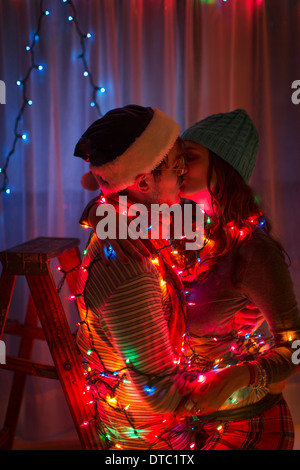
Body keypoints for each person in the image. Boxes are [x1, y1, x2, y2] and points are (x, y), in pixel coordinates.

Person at [81, 108, 300, 450]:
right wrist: (103, 215)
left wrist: (245, 375)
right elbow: (122, 189)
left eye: (190, 158)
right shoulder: (173, 225)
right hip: (183, 422)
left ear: (224, 170)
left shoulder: (254, 250)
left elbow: (296, 346)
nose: (180, 167)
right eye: (177, 159)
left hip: (241, 417)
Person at [73, 104, 210, 451]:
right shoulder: (129, 266)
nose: (184, 176)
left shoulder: (128, 227)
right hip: (154, 446)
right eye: (178, 167)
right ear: (145, 181)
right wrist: (254, 376)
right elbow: (161, 394)